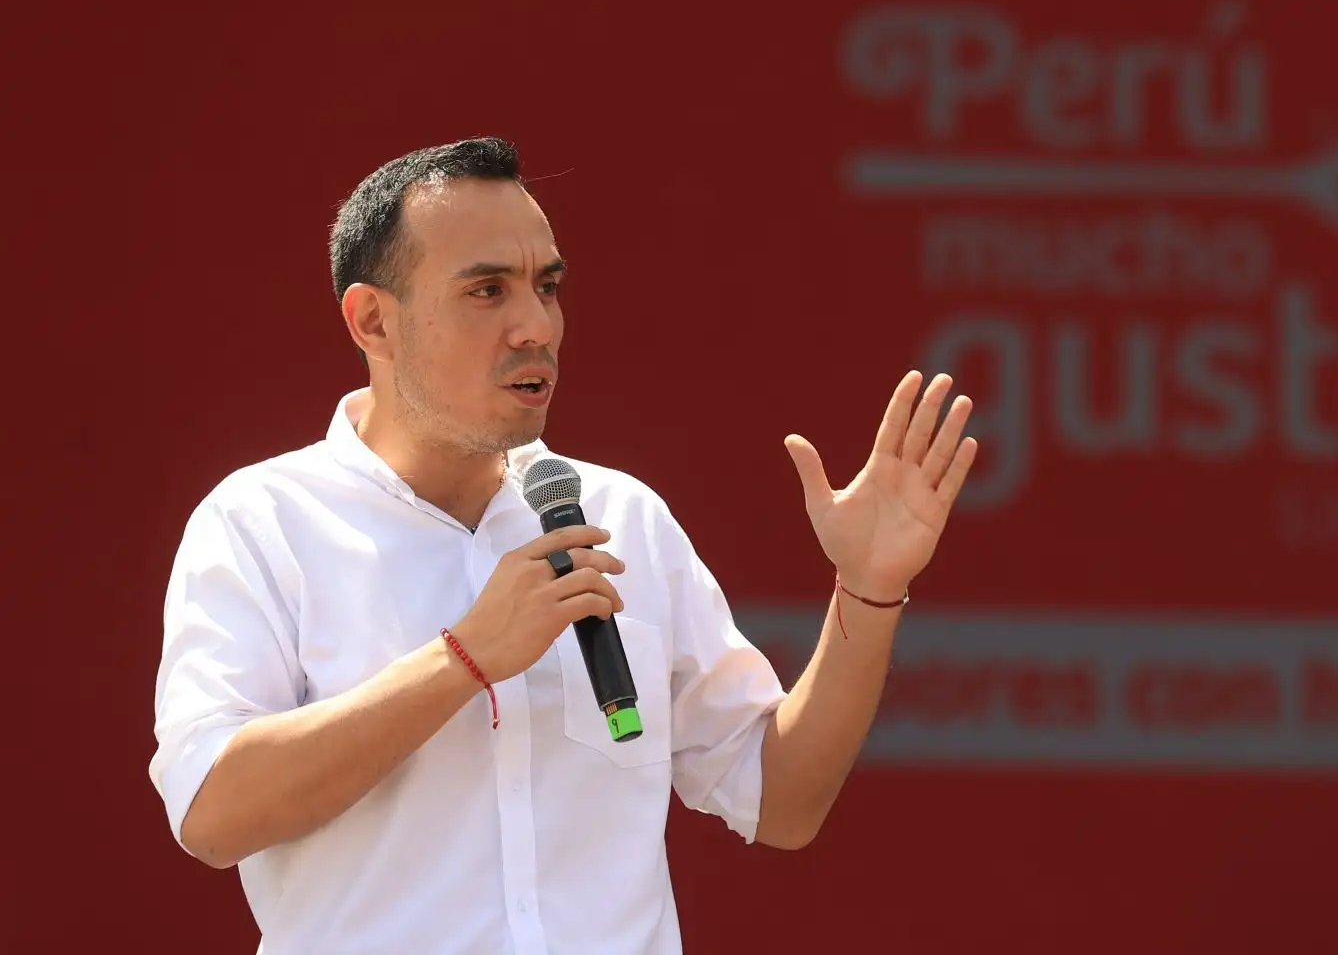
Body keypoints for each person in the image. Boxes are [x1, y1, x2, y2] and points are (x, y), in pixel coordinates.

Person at [148, 137, 978, 954]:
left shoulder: (623, 517)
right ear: (373, 322)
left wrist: (868, 588)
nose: (535, 326)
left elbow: (783, 801)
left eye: (547, 287)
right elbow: (213, 813)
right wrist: (465, 658)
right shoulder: (264, 522)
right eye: (487, 290)